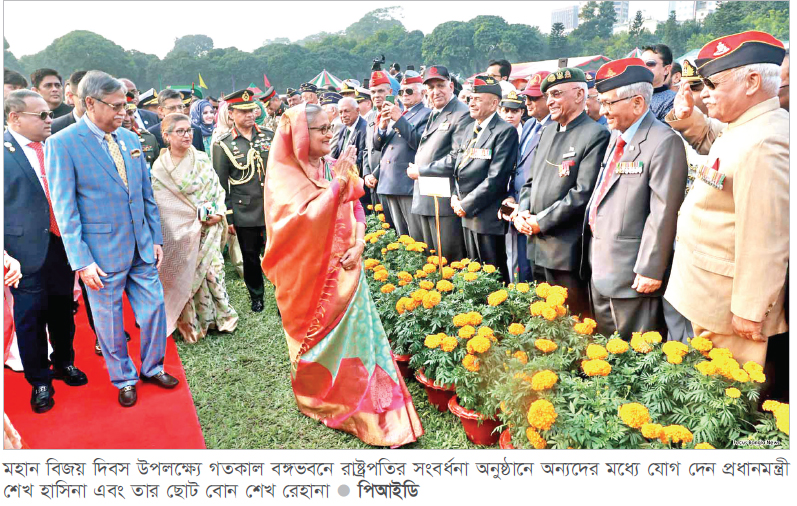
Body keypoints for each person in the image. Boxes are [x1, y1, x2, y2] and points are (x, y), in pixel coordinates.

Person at [261, 103, 423, 447]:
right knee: (319, 345)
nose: (329, 133)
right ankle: (323, 396)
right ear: (301, 135)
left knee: (363, 343)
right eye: (320, 129)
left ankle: (374, 404)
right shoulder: (284, 177)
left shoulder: (334, 166)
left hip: (349, 274)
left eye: (329, 126)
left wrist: (361, 243)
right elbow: (300, 223)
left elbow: (356, 206)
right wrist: (336, 183)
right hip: (310, 282)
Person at [47, 71, 180, 408]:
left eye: (126, 105)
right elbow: (65, 209)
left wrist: (154, 238)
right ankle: (123, 378)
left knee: (153, 311)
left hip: (141, 246)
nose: (124, 112)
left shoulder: (130, 139)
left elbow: (144, 194)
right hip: (100, 254)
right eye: (116, 106)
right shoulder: (62, 143)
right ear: (89, 103)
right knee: (108, 321)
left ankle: (152, 367)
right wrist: (81, 260)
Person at [664, 31, 788, 372]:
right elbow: (717, 142)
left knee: (728, 402)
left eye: (712, 85)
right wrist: (689, 117)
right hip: (713, 296)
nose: (705, 94)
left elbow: (767, 236)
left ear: (751, 82)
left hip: (732, 310)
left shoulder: (766, 141)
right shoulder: (747, 125)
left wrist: (750, 308)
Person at [582, 58, 687, 339]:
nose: (603, 112)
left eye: (609, 103)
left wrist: (651, 268)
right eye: (601, 102)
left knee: (633, 361)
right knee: (607, 353)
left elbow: (663, 211)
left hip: (633, 275)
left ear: (638, 103)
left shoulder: (663, 141)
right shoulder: (618, 136)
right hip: (603, 267)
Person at [4, 90, 88, 413]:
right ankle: (39, 380)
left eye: (49, 114)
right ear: (15, 118)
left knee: (62, 310)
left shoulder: (54, 147)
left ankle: (64, 362)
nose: (49, 119)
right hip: (22, 253)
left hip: (60, 243)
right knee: (30, 318)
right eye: (41, 116)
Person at [514, 68, 610, 318]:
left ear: (579, 94)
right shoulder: (546, 131)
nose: (550, 101)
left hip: (565, 249)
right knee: (543, 318)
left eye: (556, 94)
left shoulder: (595, 134)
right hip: (535, 243)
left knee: (571, 321)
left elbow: (582, 193)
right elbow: (530, 181)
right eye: (548, 96)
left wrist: (541, 222)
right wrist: (523, 212)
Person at [151, 113, 238, 342]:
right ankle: (194, 326)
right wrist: (190, 223)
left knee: (213, 273)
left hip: (210, 228)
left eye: (189, 130)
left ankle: (223, 319)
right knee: (187, 278)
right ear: (166, 136)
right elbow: (163, 205)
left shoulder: (200, 158)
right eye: (180, 131)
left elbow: (217, 190)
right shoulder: (160, 169)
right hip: (182, 234)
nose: (187, 135)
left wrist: (217, 213)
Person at [447, 76, 517, 282]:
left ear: (494, 103)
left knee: (492, 275)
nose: (471, 103)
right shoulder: (470, 128)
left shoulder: (505, 132)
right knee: (474, 276)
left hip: (486, 216)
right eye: (470, 98)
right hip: (466, 213)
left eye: (477, 98)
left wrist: (466, 204)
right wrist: (454, 197)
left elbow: (496, 178)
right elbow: (458, 167)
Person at [212, 89, 274, 313]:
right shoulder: (223, 144)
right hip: (244, 209)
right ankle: (256, 296)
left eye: (251, 110)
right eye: (244, 111)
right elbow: (220, 182)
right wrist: (228, 214)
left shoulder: (268, 135)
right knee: (250, 257)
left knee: (276, 253)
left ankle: (281, 293)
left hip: (271, 207)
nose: (250, 115)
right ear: (232, 114)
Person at [406, 65, 472, 263]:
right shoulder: (436, 111)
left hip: (443, 199)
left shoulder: (461, 113)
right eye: (431, 87)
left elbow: (457, 157)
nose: (436, 91)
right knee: (429, 259)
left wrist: (422, 170)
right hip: (426, 195)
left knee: (449, 260)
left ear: (451, 86)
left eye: (440, 85)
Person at [502, 71, 552, 284]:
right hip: (518, 204)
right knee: (516, 268)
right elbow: (519, 167)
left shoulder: (553, 128)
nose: (528, 103)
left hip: (534, 212)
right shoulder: (531, 124)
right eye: (527, 98)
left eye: (534, 98)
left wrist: (522, 205)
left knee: (531, 276)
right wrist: (511, 197)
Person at [372, 71, 431, 239]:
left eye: (409, 91)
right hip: (389, 181)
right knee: (399, 236)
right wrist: (382, 126)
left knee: (415, 236)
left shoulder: (426, 114)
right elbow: (377, 146)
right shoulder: (398, 113)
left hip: (406, 183)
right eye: (402, 91)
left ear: (422, 93)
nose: (405, 95)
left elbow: (419, 143)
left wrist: (398, 119)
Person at [497, 88, 527, 282]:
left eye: (514, 111)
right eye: (506, 110)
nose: (510, 115)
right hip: (502, 197)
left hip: (520, 198)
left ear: (522, 112)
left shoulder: (526, 134)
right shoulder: (499, 133)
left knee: (520, 256)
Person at [641, 44, 677, 121]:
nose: (644, 68)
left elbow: (665, 130)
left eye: (650, 64)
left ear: (666, 69)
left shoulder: (673, 100)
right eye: (641, 64)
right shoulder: (631, 95)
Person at [124, 91, 159, 168]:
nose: (127, 119)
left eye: (130, 114)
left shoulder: (148, 138)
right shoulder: (106, 139)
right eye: (123, 115)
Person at [331, 97, 366, 166]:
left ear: (357, 110)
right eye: (340, 112)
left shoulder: (365, 129)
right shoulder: (343, 128)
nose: (343, 115)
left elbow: (362, 160)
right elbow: (337, 154)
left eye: (347, 111)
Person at [51, 70, 87, 135]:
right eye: (85, 98)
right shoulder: (54, 129)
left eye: (98, 98)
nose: (91, 103)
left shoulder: (108, 126)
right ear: (70, 96)